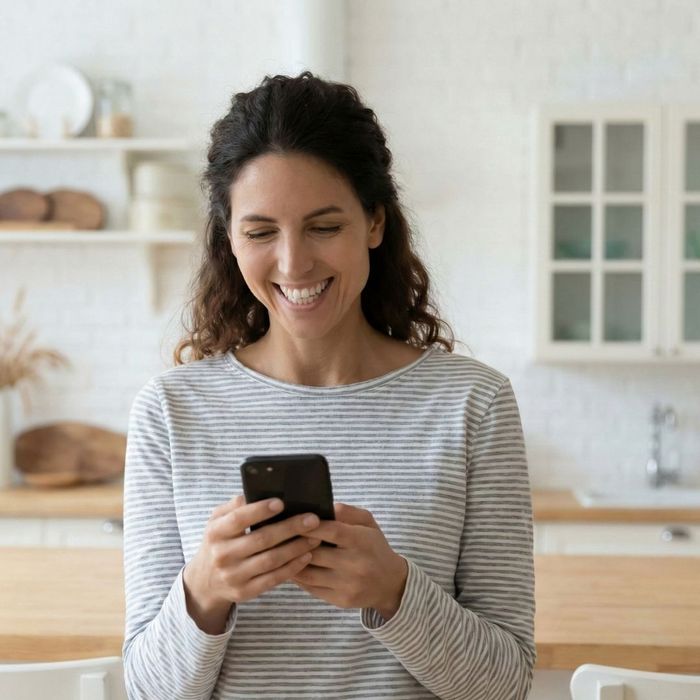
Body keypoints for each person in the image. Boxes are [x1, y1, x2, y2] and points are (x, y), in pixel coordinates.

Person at [122, 71, 536, 699]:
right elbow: (148, 692)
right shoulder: (171, 411)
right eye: (261, 232)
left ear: (373, 222)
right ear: (229, 239)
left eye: (323, 226)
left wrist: (394, 593)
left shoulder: (472, 404)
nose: (294, 263)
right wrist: (205, 589)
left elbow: (505, 686)